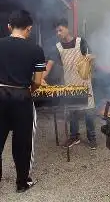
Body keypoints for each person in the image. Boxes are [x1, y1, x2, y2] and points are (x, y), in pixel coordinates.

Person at [0, 10, 45, 192]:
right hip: (22, 99)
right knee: (22, 143)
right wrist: (29, 91)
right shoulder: (36, 49)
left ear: (9, 26)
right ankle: (22, 183)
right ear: (29, 28)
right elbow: (37, 81)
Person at [43, 19, 97, 149]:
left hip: (84, 83)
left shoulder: (81, 42)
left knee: (88, 111)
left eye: (60, 30)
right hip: (70, 84)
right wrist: (41, 78)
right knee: (72, 111)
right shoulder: (58, 47)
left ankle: (92, 138)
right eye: (56, 31)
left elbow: (92, 56)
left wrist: (90, 58)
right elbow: (49, 64)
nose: (58, 33)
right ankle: (74, 137)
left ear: (67, 29)